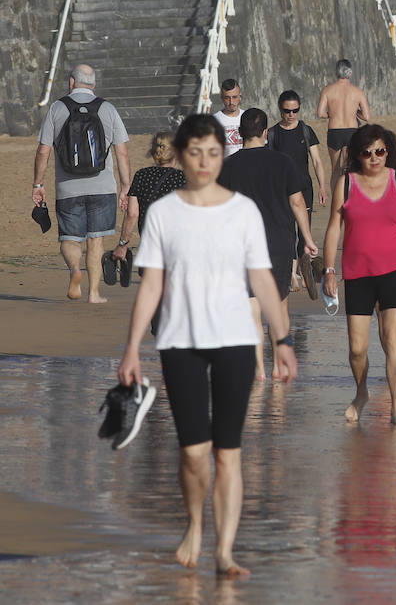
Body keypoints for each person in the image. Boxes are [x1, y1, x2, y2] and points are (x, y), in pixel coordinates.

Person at [117, 114, 298, 578]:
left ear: (223, 155)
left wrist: (281, 338)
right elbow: (152, 286)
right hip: (181, 343)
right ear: (181, 155)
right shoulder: (163, 214)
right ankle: (196, 524)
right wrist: (133, 347)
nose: (204, 162)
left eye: (213, 153)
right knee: (194, 453)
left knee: (227, 453)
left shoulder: (242, 211)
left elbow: (262, 278)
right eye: (194, 152)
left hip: (236, 340)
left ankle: (225, 551)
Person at [320, 125, 396, 425]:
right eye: (367, 153)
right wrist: (329, 270)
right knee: (357, 348)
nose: (374, 158)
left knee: (391, 339)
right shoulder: (347, 184)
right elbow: (332, 230)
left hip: (394, 271)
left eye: (380, 151)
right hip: (357, 274)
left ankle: (395, 408)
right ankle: (361, 392)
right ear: (357, 155)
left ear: (388, 151)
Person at [219, 109, 319, 381]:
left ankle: (258, 370)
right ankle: (277, 367)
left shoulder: (228, 166)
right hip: (278, 241)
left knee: (251, 305)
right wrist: (308, 238)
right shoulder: (283, 162)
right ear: (266, 133)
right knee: (279, 304)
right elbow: (297, 202)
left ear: (240, 133)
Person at [32, 64, 132, 304]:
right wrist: (126, 186)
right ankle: (94, 293)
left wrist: (38, 184)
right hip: (103, 187)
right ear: (94, 84)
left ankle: (75, 269)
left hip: (68, 188)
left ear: (71, 82)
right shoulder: (107, 108)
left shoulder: (57, 108)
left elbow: (43, 151)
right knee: (96, 239)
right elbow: (122, 153)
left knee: (69, 238)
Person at [266, 90, 328, 290]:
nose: (291, 114)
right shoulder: (273, 133)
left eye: (295, 110)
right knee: (287, 233)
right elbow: (269, 165)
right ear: (280, 109)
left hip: (304, 189)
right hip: (281, 191)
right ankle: (292, 275)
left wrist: (322, 187)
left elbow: (317, 162)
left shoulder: (306, 130)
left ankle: (303, 269)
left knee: (304, 232)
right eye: (287, 111)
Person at [111, 132, 186, 282]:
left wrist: (122, 244)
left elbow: (132, 214)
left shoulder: (142, 175)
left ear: (153, 152)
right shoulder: (183, 178)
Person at [317, 59, 372, 190]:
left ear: (337, 72)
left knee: (335, 170)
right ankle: (350, 197)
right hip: (352, 131)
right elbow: (367, 117)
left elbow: (320, 113)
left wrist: (333, 114)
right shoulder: (358, 91)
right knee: (351, 168)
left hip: (334, 131)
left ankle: (336, 201)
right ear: (350, 73)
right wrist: (354, 112)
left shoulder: (328, 90)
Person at [213, 79, 245, 156]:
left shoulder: (248, 117)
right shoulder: (214, 121)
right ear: (222, 98)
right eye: (227, 98)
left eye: (234, 97)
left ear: (240, 96)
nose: (231, 102)